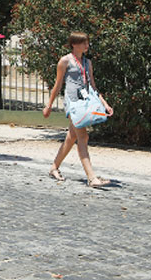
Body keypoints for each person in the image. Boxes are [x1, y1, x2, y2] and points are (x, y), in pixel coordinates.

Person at [44, 32, 113, 188]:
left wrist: (105, 104)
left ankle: (54, 167)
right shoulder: (65, 61)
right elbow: (58, 85)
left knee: (72, 137)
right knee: (83, 137)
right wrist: (48, 105)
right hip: (73, 104)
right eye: (83, 43)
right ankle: (91, 178)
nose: (86, 45)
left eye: (87, 42)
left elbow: (93, 87)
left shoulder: (87, 63)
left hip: (84, 103)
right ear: (74, 44)